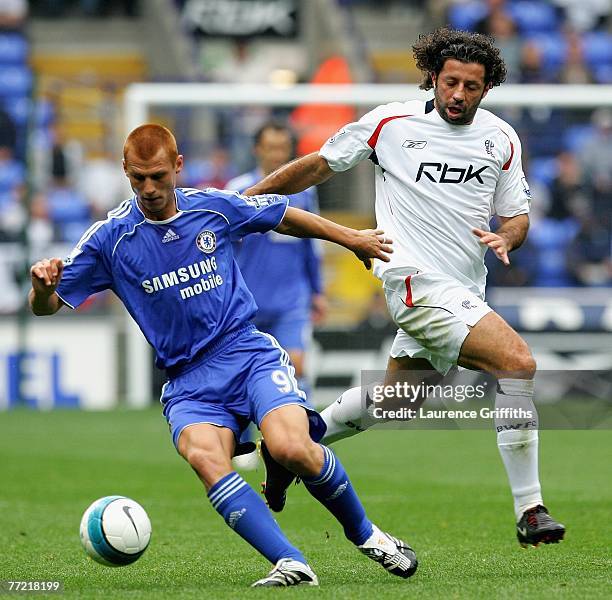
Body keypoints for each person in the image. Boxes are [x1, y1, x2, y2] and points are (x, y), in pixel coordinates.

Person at [28, 124, 417, 587]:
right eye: (138, 179)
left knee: (295, 448)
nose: (150, 189)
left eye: (157, 176)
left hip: (246, 352)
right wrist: (42, 289)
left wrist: (351, 238)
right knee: (203, 455)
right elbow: (48, 307)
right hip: (188, 380)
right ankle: (290, 562)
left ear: (177, 167)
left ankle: (366, 534)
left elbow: (284, 215)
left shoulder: (211, 206)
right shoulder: (109, 239)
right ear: (125, 173)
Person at [245, 28, 565, 549]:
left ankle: (287, 449)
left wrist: (505, 236)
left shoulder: (502, 139)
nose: (459, 95)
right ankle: (530, 509)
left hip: (464, 287)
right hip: (411, 279)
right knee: (517, 364)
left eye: (472, 87)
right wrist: (248, 198)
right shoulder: (390, 123)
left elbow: (518, 216)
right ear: (433, 78)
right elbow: (320, 165)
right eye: (451, 82)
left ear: (487, 89)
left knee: (394, 399)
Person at [227, 121, 326, 470]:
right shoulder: (239, 190)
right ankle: (245, 443)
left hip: (290, 300)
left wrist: (317, 290)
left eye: (283, 148)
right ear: (257, 149)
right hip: (246, 302)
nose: (277, 155)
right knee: (242, 372)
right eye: (271, 148)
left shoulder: (303, 194)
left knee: (295, 366)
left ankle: (304, 441)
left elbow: (311, 246)